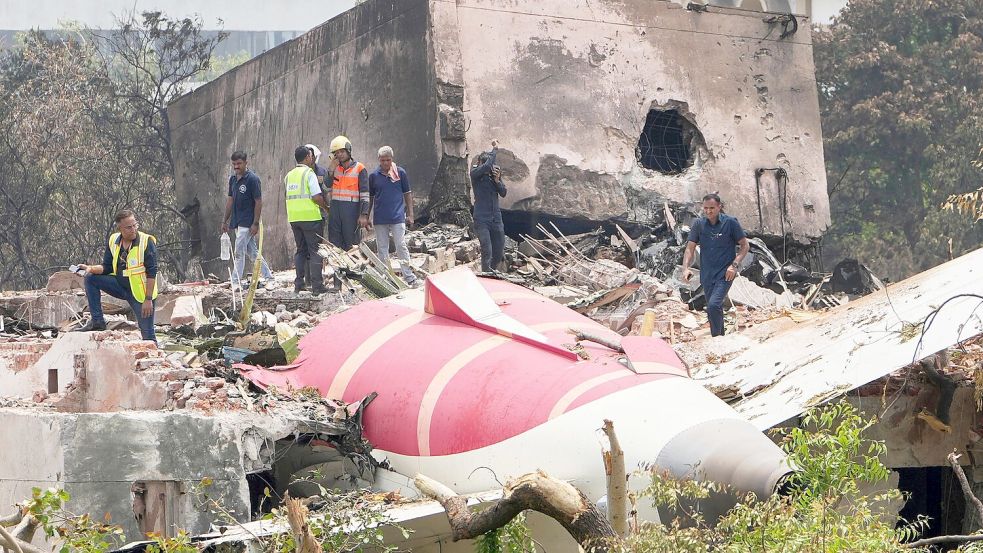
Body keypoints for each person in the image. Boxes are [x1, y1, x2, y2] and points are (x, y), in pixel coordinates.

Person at [76, 210, 159, 342]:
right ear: (119, 228)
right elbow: (107, 267)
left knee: (148, 334)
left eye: (135, 225)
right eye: (128, 227)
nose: (133, 230)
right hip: (120, 286)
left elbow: (152, 272)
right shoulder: (114, 240)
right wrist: (90, 268)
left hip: (140, 294)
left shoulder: (146, 242)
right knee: (91, 278)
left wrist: (148, 300)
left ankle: (154, 359)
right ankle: (97, 321)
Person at [681, 193, 750, 337]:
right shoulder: (699, 225)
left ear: (719, 207)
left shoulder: (730, 223)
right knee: (714, 309)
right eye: (705, 208)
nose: (708, 211)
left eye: (712, 208)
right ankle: (721, 338)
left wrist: (734, 265)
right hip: (707, 275)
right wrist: (685, 268)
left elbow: (745, 246)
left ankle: (716, 339)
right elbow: (690, 248)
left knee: (713, 305)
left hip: (725, 274)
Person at [221, 151, 273, 288]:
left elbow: (258, 201)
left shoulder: (252, 179)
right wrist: (225, 220)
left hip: (248, 222)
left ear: (245, 163)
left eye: (239, 164)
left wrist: (255, 223)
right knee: (252, 252)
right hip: (237, 221)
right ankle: (269, 277)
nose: (236, 167)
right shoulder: (233, 180)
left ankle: (235, 281)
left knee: (239, 252)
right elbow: (230, 200)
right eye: (234, 164)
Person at [368, 146, 417, 285]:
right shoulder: (373, 176)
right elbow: (371, 197)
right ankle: (387, 278)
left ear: (392, 159)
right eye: (382, 160)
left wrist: (410, 214)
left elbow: (407, 194)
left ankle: (409, 277)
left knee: (401, 245)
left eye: (388, 160)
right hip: (380, 218)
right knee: (382, 249)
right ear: (379, 160)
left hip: (397, 217)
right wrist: (367, 215)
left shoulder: (400, 173)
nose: (385, 163)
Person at [285, 145, 329, 295]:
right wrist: (326, 207)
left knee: (300, 251)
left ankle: (299, 284)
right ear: (307, 158)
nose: (312, 158)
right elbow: (316, 197)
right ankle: (317, 286)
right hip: (310, 218)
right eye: (311, 156)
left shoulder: (289, 175)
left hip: (294, 218)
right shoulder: (309, 173)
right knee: (315, 251)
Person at [469, 139, 507, 273]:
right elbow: (485, 167)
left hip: (496, 219)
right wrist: (495, 149)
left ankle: (492, 272)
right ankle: (486, 276)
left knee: (498, 250)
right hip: (481, 219)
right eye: (485, 165)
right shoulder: (475, 174)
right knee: (487, 250)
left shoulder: (493, 176)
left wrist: (497, 181)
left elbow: (503, 193)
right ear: (479, 164)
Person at [326, 135, 370, 250]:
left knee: (352, 245)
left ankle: (351, 268)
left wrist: (364, 215)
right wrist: (331, 169)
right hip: (335, 211)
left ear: (348, 150)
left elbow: (365, 195)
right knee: (335, 245)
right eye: (336, 152)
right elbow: (326, 186)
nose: (339, 154)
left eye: (342, 151)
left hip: (351, 211)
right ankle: (339, 269)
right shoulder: (334, 169)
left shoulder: (360, 168)